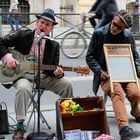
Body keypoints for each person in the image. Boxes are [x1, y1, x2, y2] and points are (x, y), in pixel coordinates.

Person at [0, 8, 73, 139]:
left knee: (67, 84)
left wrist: (59, 74)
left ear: (51, 29)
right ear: (37, 23)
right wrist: (8, 57)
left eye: (48, 24)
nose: (44, 26)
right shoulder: (22, 35)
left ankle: (66, 123)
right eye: (42, 22)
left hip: (43, 76)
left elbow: (55, 68)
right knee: (23, 87)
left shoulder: (54, 46)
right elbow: (1, 42)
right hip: (22, 76)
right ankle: (20, 126)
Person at [86, 10, 140, 140]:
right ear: (113, 19)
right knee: (117, 92)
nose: (114, 28)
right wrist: (100, 71)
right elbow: (90, 56)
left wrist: (138, 68)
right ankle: (124, 128)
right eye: (114, 23)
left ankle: (136, 112)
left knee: (135, 93)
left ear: (125, 28)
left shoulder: (128, 36)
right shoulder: (99, 33)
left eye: (119, 27)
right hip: (107, 75)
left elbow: (135, 57)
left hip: (125, 73)